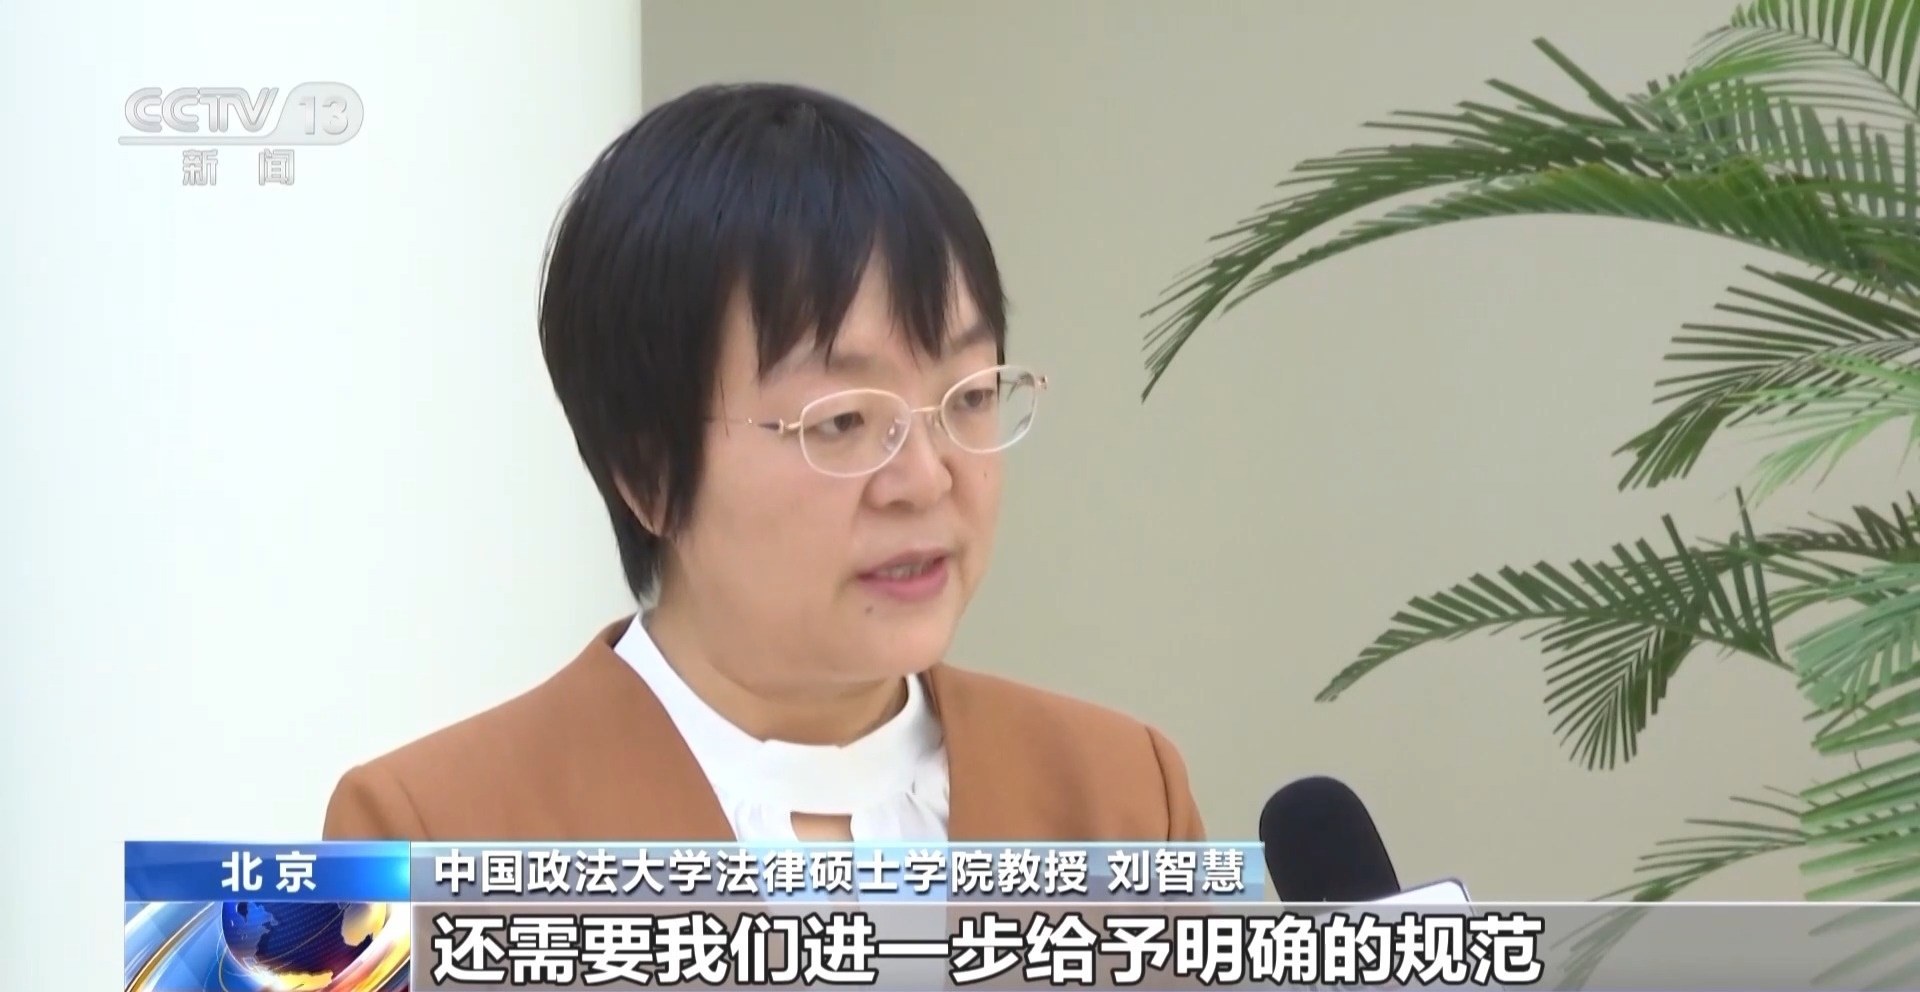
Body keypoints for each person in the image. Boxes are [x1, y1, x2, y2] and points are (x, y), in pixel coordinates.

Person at [322, 82, 1205, 844]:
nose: (928, 479)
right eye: (844, 421)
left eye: (969, 396)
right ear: (648, 473)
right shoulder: (424, 829)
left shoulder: (1123, 793)